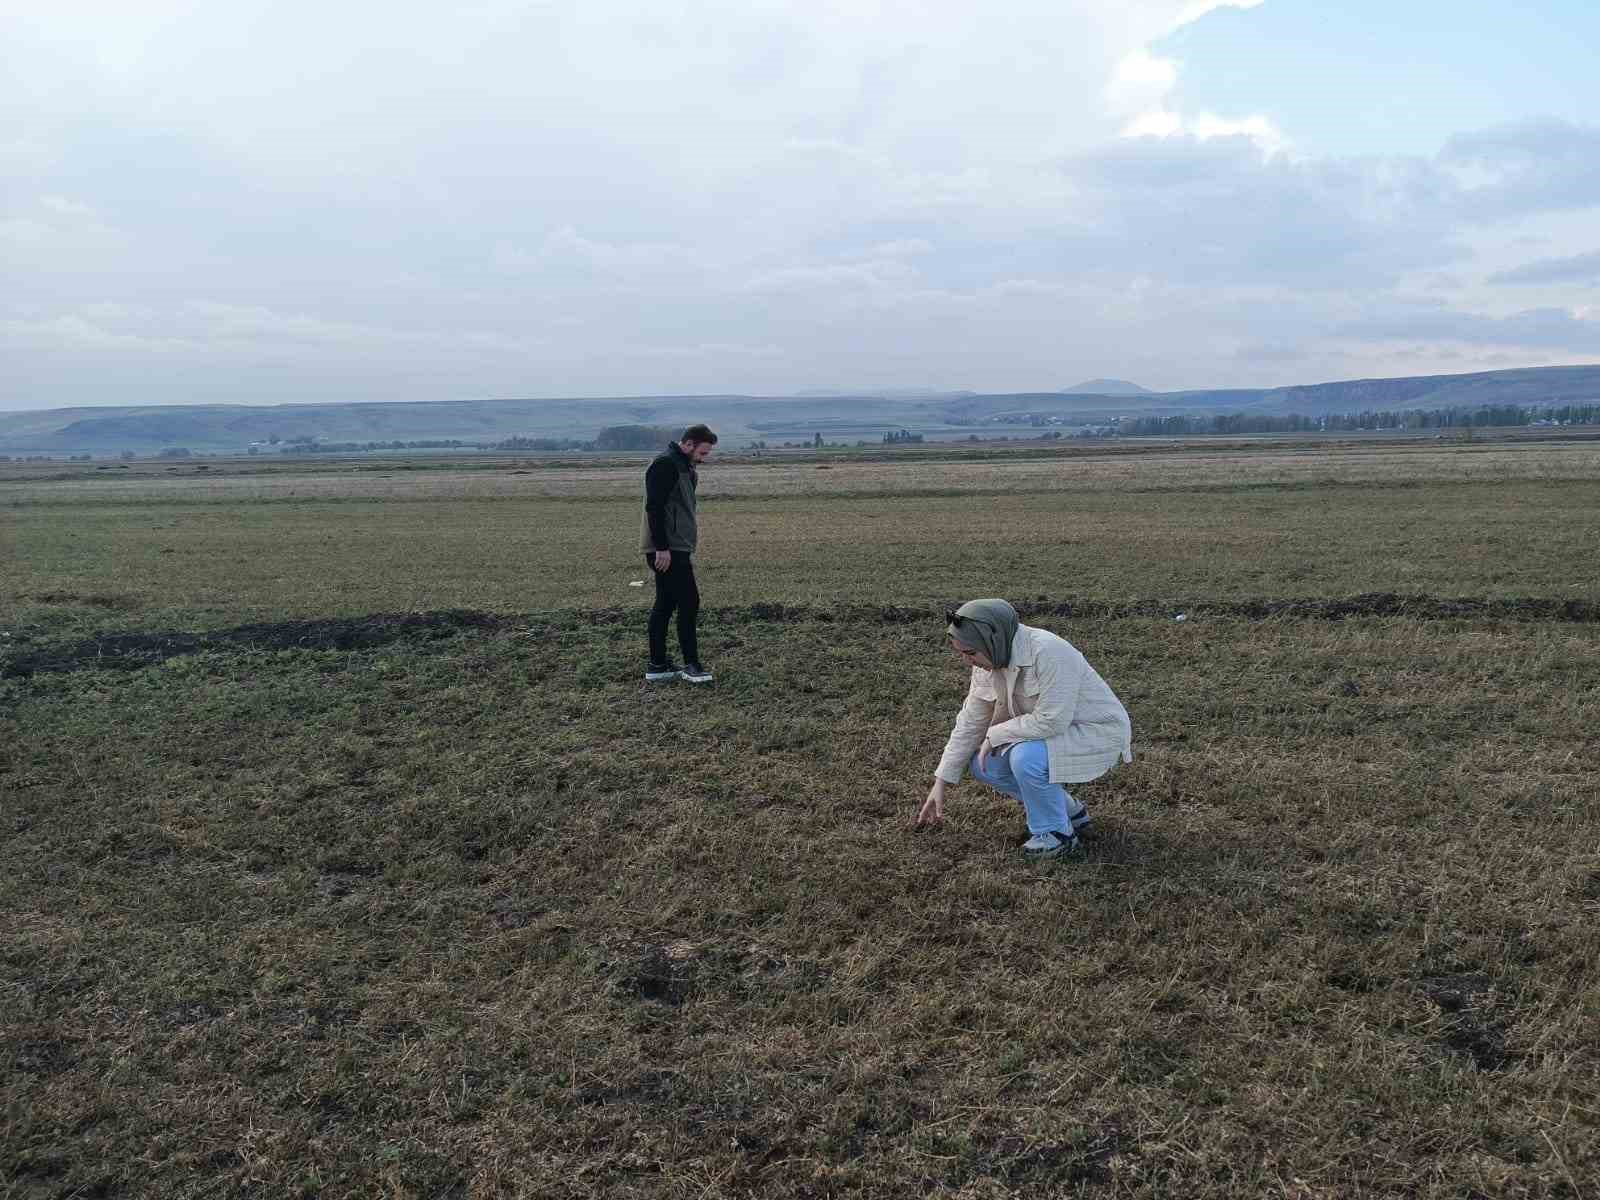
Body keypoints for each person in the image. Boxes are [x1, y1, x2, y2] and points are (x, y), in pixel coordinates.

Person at [917, 598, 1133, 858]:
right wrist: (941, 781)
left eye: (971, 653)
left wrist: (994, 735)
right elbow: (971, 721)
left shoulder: (1049, 651)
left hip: (1097, 732)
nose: (967, 661)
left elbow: (1052, 720)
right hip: (1047, 733)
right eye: (961, 653)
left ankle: (1056, 835)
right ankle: (1069, 811)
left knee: (1025, 757)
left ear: (992, 639)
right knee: (984, 764)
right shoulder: (991, 658)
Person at [641, 424, 717, 684]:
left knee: (666, 604)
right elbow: (654, 507)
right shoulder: (666, 465)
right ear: (688, 444)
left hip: (676, 546)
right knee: (689, 602)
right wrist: (661, 547)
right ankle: (691, 665)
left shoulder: (685, 468)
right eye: (702, 453)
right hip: (668, 549)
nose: (703, 458)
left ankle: (658, 665)